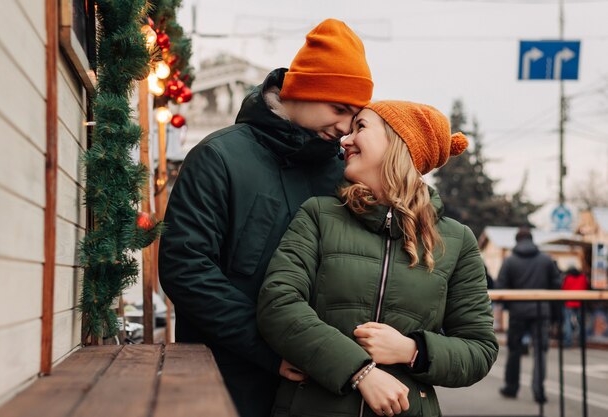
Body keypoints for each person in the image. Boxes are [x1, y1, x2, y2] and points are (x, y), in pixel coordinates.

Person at [158, 18, 374, 417]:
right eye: (339, 109)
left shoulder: (342, 173)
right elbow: (185, 268)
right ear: (305, 90)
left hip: (320, 385)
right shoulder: (218, 157)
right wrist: (270, 349)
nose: (346, 128)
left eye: (355, 116)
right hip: (226, 378)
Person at [257, 101, 498, 417]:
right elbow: (278, 304)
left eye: (361, 127)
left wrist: (412, 351)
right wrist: (360, 372)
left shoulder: (456, 241)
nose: (345, 139)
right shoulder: (318, 215)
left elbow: (479, 349)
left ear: (400, 142)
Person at [496, 227, 561, 403]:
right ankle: (539, 391)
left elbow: (500, 287)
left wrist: (510, 306)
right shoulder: (546, 260)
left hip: (518, 311)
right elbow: (557, 285)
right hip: (542, 310)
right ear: (533, 240)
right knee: (540, 351)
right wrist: (555, 313)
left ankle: (511, 387)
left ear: (517, 241)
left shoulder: (510, 261)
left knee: (514, 350)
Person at [561, 266, 589, 347]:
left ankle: (568, 342)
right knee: (581, 323)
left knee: (567, 322)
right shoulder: (583, 277)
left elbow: (564, 289)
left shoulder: (568, 278)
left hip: (569, 302)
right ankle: (582, 341)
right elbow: (586, 288)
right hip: (580, 302)